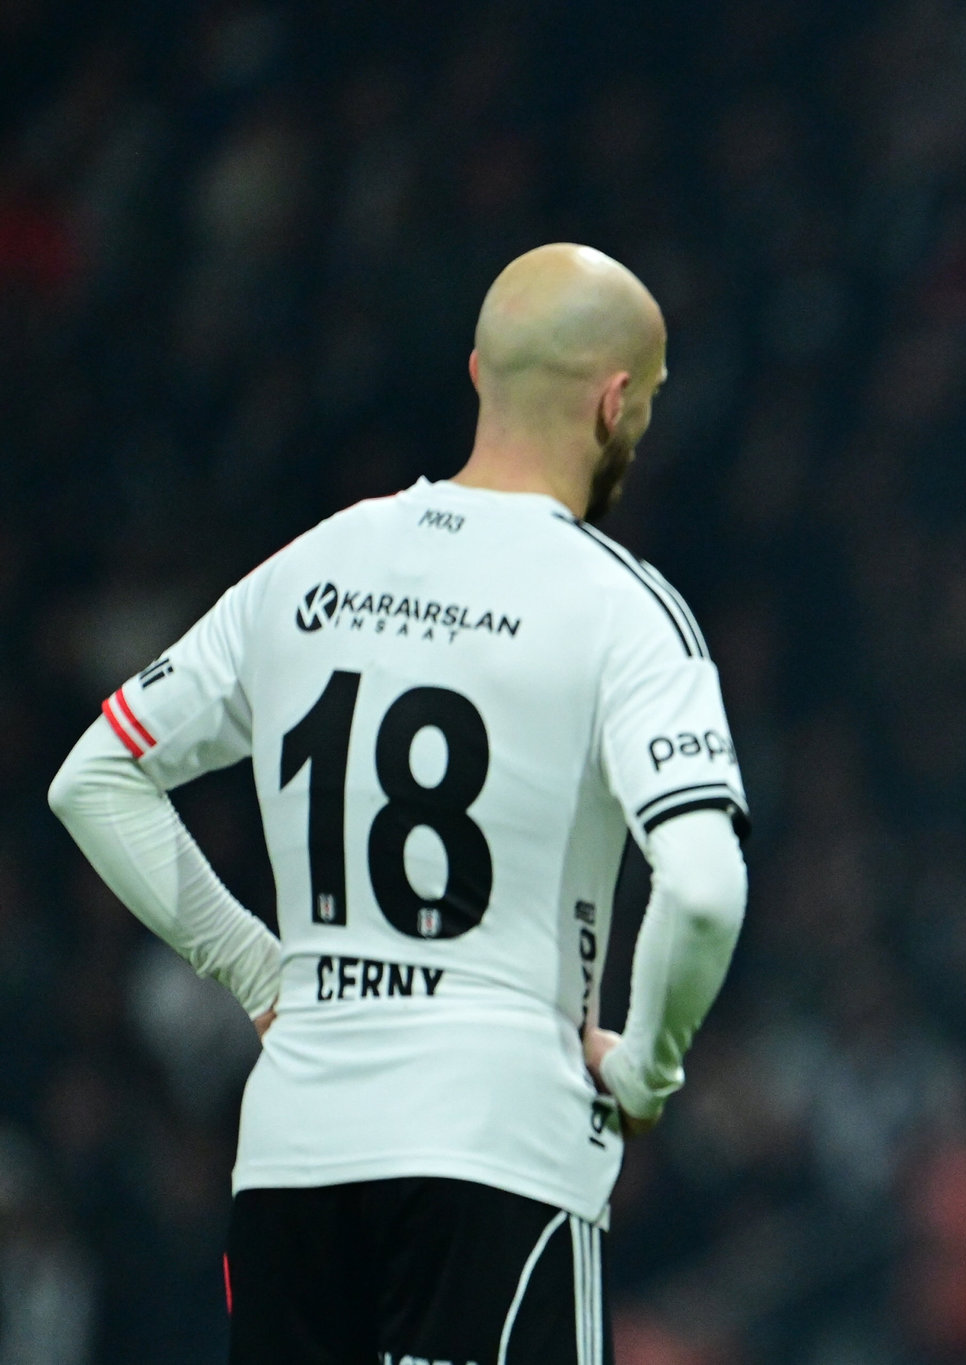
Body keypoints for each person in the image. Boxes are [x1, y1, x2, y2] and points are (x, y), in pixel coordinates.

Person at [47, 243, 750, 1363]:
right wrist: (643, 1071)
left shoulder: (308, 569)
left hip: (293, 1150)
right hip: (496, 1142)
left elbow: (93, 776)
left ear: (479, 372)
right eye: (651, 404)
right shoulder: (621, 609)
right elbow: (705, 891)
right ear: (615, 404)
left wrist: (260, 971)